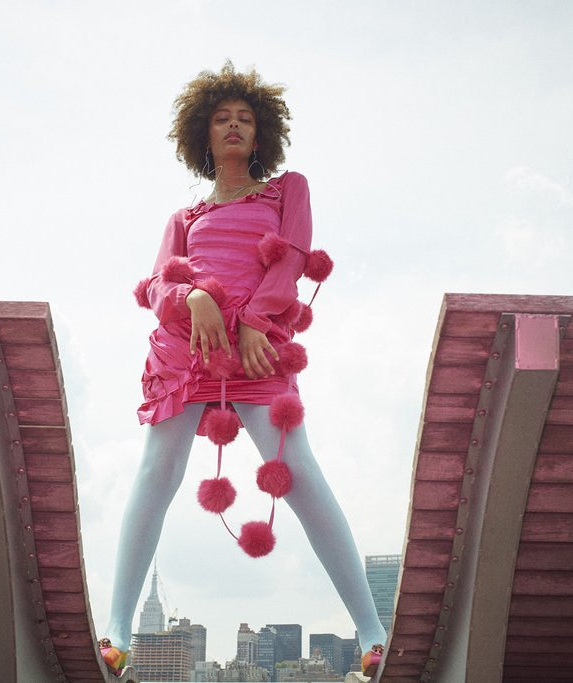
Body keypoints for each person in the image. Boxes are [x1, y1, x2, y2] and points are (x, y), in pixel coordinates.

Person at [100, 62, 386, 678]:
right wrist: (194, 298)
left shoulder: (289, 191)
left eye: (245, 119)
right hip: (187, 355)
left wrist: (255, 319)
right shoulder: (184, 217)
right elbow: (156, 289)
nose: (234, 127)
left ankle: (372, 633)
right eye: (222, 119)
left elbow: (293, 262)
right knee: (156, 471)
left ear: (261, 137)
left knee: (299, 472)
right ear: (203, 136)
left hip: (257, 353)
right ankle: (117, 634)